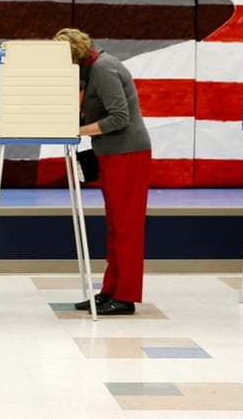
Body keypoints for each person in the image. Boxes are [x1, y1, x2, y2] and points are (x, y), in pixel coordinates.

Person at [54, 28, 152, 316]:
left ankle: (126, 296)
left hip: (128, 154)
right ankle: (110, 290)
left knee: (128, 229)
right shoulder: (93, 68)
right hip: (112, 154)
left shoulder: (104, 69)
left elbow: (119, 117)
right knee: (115, 228)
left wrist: (78, 130)